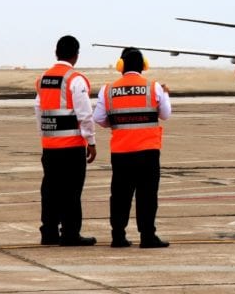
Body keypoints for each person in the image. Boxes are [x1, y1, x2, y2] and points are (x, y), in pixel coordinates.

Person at [93, 47, 172, 248]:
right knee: (147, 195)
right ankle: (147, 236)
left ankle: (118, 236)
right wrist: (165, 94)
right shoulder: (153, 87)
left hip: (121, 151)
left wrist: (119, 122)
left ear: (121, 66)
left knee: (120, 195)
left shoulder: (108, 89)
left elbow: (99, 119)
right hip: (148, 150)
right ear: (144, 66)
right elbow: (165, 114)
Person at [34, 35, 97, 246]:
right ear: (76, 55)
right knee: (71, 191)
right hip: (71, 146)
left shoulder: (44, 78)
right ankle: (70, 233)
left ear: (56, 53)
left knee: (50, 190)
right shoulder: (74, 79)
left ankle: (49, 232)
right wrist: (91, 141)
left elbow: (38, 108)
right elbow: (85, 113)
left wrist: (44, 134)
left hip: (50, 145)